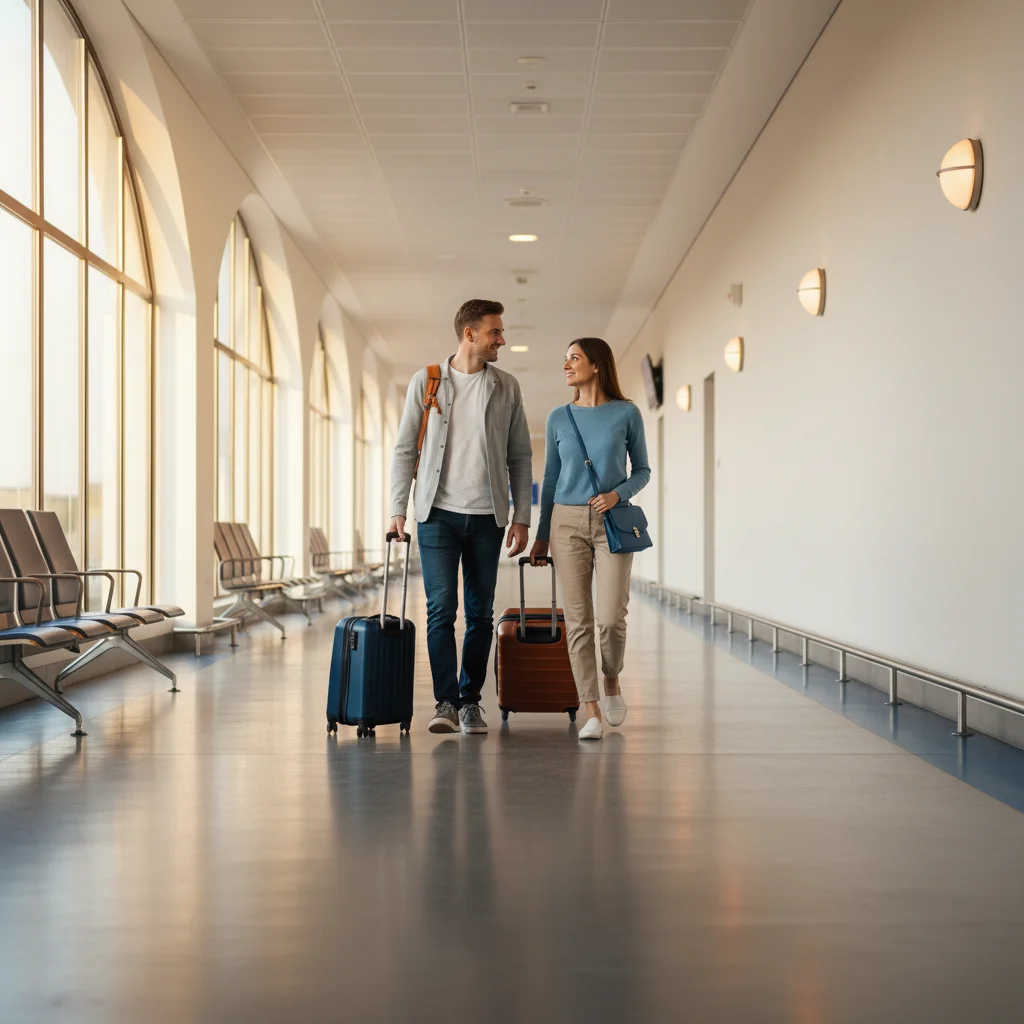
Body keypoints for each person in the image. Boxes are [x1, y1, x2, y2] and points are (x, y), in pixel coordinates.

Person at [389, 299, 532, 735]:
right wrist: (398, 508)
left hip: (488, 516)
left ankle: (471, 701)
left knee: (480, 614)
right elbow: (405, 449)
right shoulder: (427, 381)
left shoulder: (506, 386)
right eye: (495, 332)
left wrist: (521, 515)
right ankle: (446, 702)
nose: (502, 340)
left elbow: (520, 457)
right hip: (436, 515)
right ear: (469, 334)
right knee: (439, 611)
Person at [529, 338, 651, 741]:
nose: (566, 365)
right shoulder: (558, 417)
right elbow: (549, 480)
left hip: (612, 520)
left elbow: (643, 470)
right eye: (564, 358)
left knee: (612, 618)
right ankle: (592, 708)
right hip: (565, 523)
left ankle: (612, 677)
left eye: (574, 358)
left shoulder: (627, 413)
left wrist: (618, 494)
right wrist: (542, 534)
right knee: (579, 620)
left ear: (596, 365)